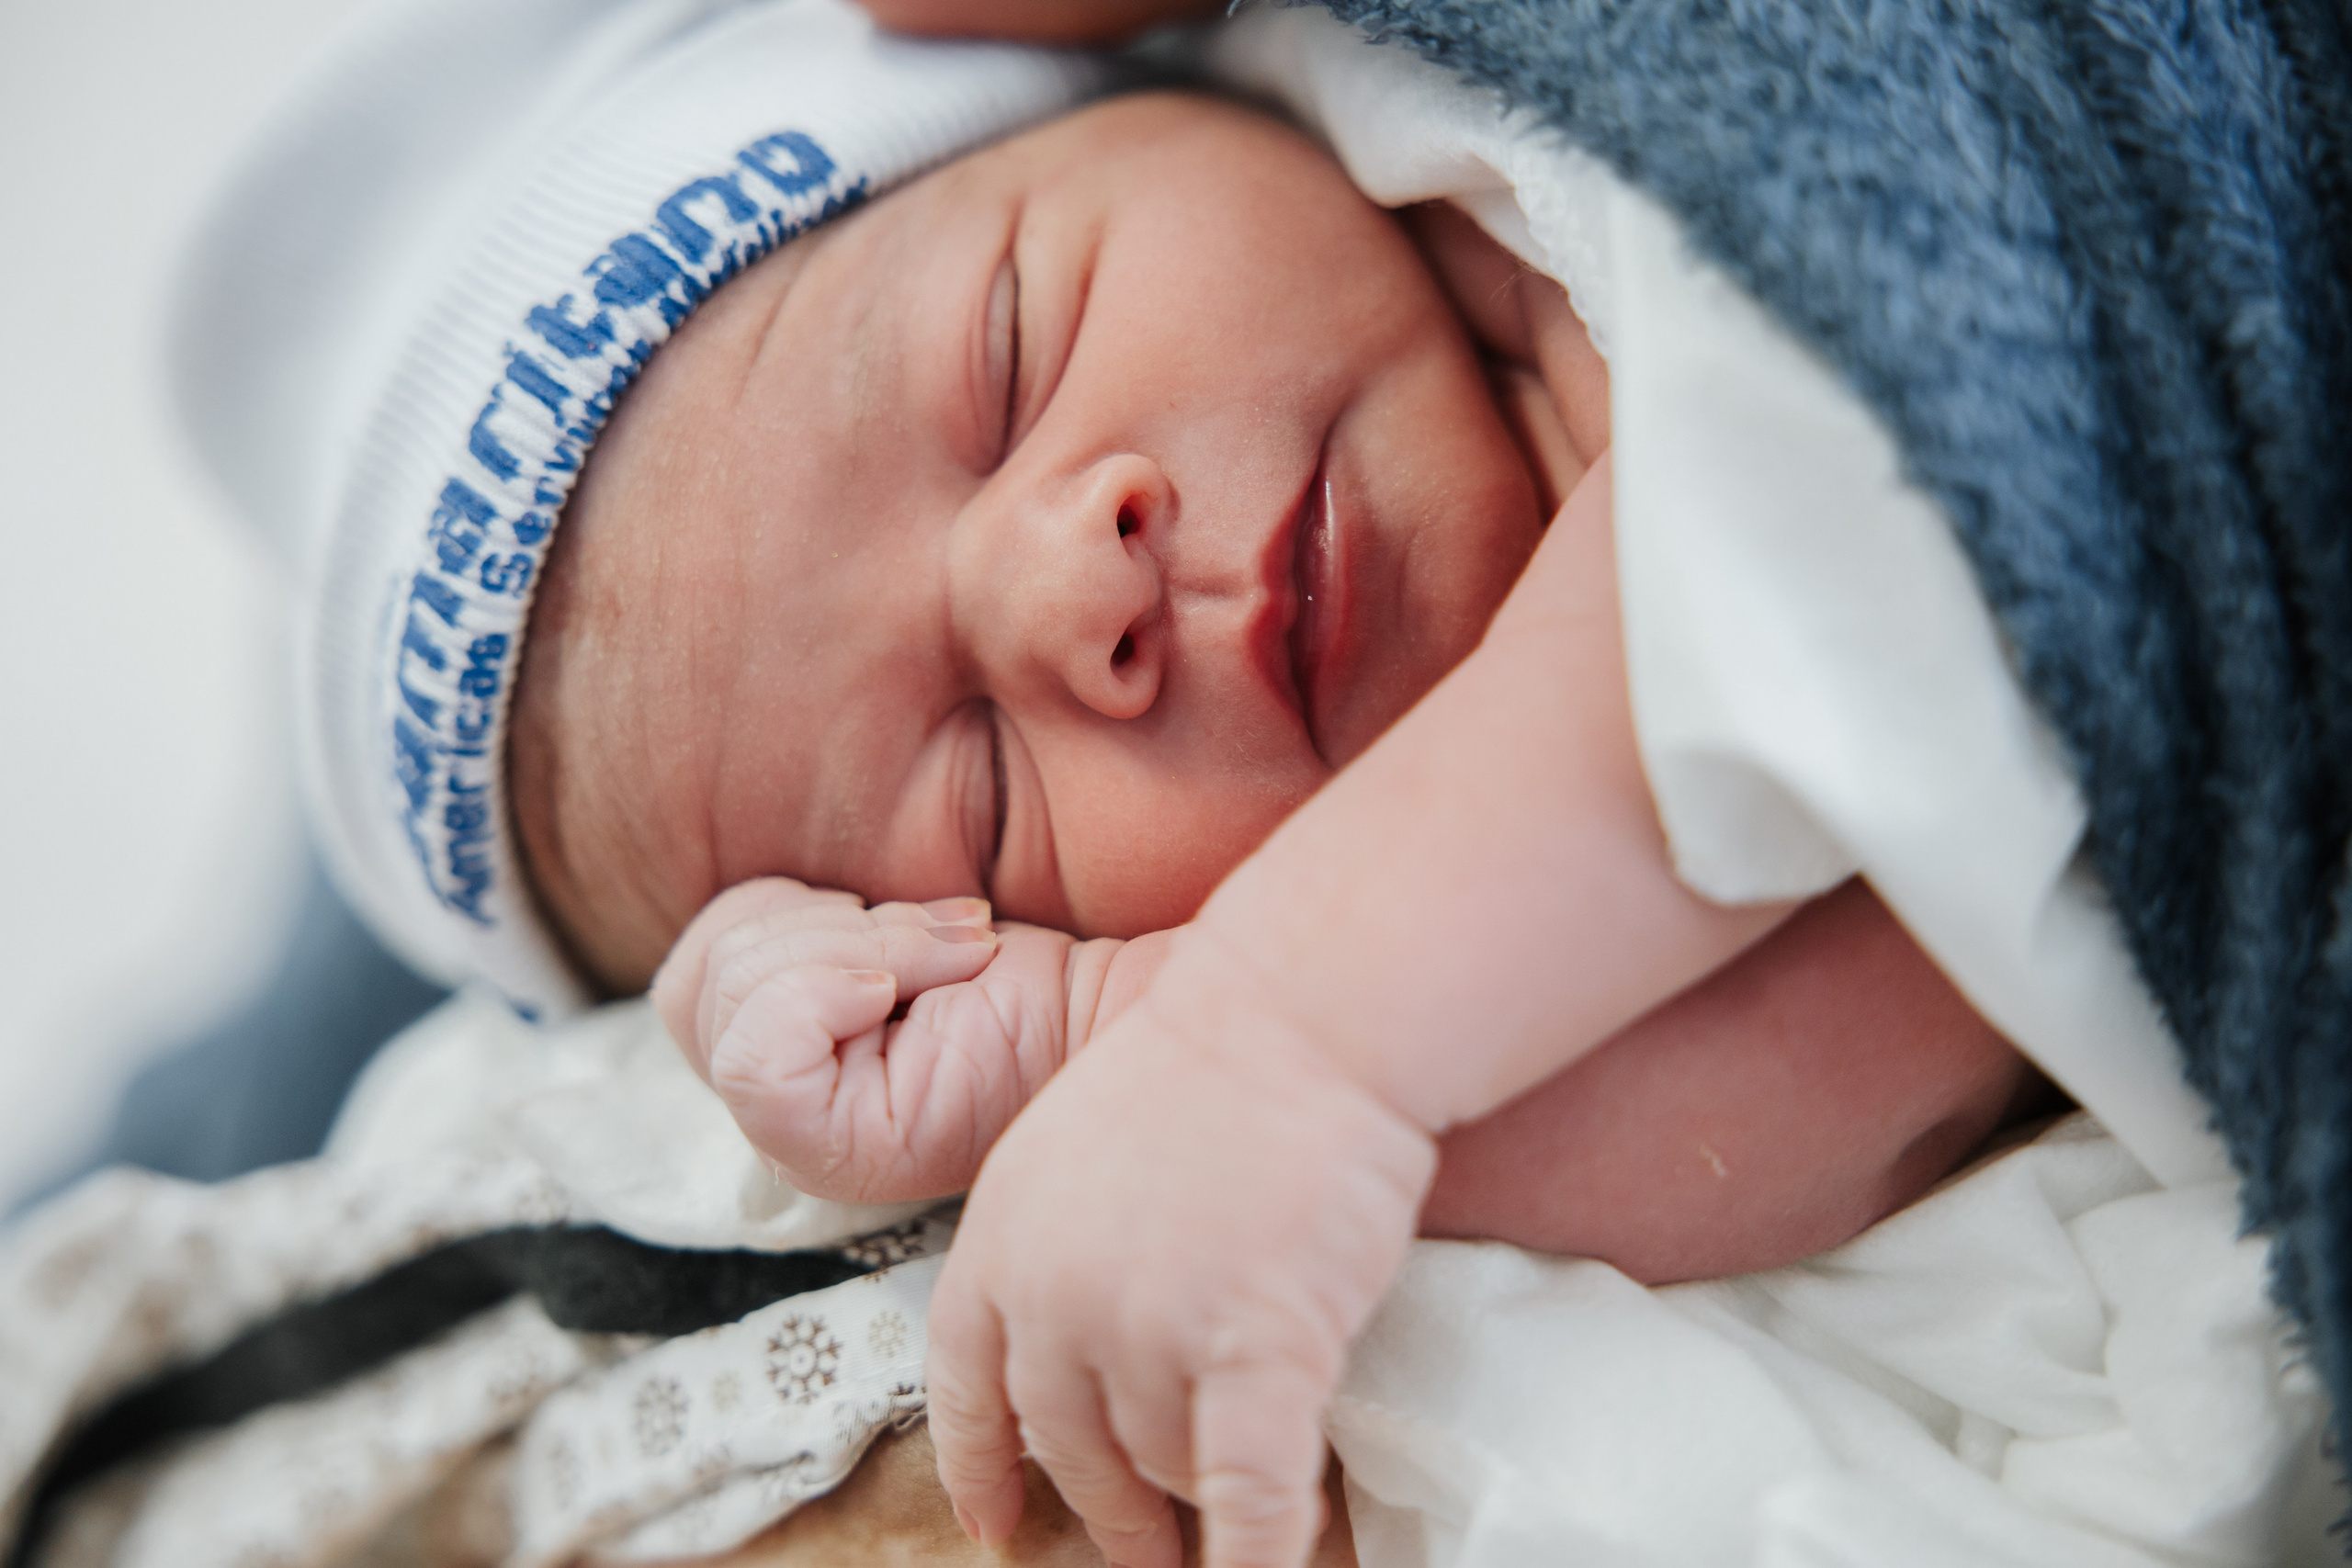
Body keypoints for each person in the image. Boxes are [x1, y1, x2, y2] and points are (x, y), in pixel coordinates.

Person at [514, 89, 2045, 1568]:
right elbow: (1872, 1018)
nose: (1073, 592)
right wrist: (1114, 1040)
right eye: (985, 805)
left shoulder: (1579, 158)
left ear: (1151, 84)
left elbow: (1805, 525)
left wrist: (1284, 1023)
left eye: (1006, 359)